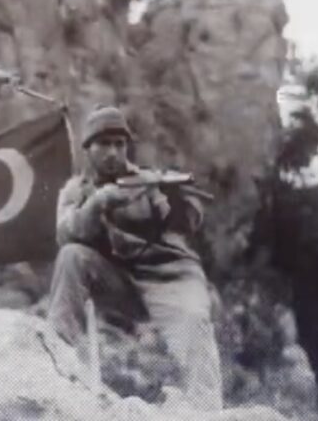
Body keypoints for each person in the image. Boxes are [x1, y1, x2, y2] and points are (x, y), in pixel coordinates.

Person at [47, 105, 223, 410]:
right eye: (104, 144)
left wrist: (178, 199)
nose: (113, 152)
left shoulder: (146, 182)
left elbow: (186, 223)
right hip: (121, 283)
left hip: (170, 278)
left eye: (120, 144)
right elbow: (65, 235)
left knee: (193, 323)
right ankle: (59, 355)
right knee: (71, 256)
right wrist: (96, 204)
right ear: (88, 148)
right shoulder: (76, 191)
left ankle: (208, 409)